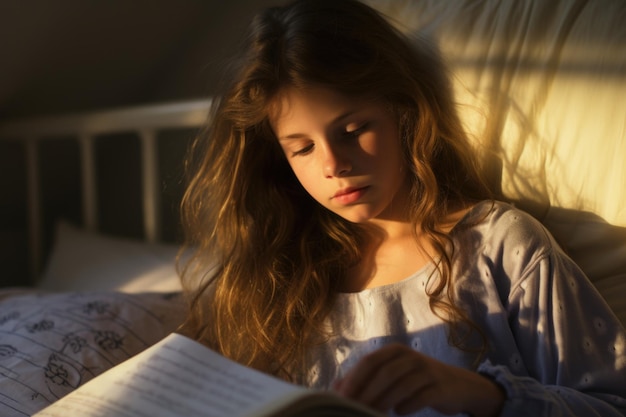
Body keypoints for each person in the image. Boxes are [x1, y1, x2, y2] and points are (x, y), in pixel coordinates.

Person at [178, 0, 626, 416]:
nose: (334, 165)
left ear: (404, 111)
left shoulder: (500, 246)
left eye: (354, 129)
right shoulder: (283, 277)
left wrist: (486, 395)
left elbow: (610, 401)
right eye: (303, 149)